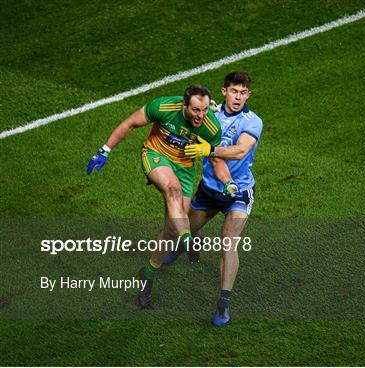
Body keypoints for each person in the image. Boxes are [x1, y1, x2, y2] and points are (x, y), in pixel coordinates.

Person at [86, 85, 223, 309]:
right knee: (172, 190)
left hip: (185, 169)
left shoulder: (211, 127)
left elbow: (216, 159)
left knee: (170, 230)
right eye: (196, 110)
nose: (200, 115)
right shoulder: (163, 106)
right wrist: (105, 150)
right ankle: (188, 240)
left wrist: (224, 179)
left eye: (205, 110)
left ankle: (147, 276)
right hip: (155, 155)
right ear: (185, 105)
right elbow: (130, 123)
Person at [164, 71, 263, 326]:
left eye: (243, 92)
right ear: (224, 92)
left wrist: (209, 149)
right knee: (182, 229)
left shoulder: (252, 122)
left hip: (238, 192)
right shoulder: (209, 118)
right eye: (234, 91)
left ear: (248, 95)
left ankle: (223, 303)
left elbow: (241, 150)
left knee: (229, 241)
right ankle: (182, 246)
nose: (238, 97)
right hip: (209, 189)